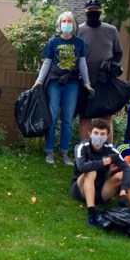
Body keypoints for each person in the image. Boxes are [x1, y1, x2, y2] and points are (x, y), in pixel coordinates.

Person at [32, 11, 92, 166]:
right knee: (52, 117)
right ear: (59, 24)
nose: (66, 24)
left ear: (73, 24)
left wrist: (86, 82)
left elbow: (83, 64)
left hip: (71, 84)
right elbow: (46, 62)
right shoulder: (53, 42)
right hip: (54, 82)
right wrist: (39, 80)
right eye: (64, 21)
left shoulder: (79, 43)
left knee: (67, 119)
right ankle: (49, 151)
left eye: (69, 21)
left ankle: (65, 153)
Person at [70, 118, 130, 227]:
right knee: (91, 172)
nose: (99, 136)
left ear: (107, 135)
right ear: (89, 133)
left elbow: (127, 168)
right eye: (96, 133)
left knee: (124, 174)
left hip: (100, 191)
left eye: (102, 134)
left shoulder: (111, 150)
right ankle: (91, 214)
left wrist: (123, 188)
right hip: (80, 190)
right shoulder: (82, 146)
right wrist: (103, 162)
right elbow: (81, 166)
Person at [77, 0, 124, 143]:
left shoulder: (111, 30)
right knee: (85, 117)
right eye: (90, 11)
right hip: (85, 82)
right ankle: (84, 150)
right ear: (85, 12)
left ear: (100, 11)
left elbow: (118, 53)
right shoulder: (79, 30)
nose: (93, 13)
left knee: (106, 117)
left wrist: (111, 67)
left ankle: (108, 151)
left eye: (96, 11)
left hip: (105, 82)